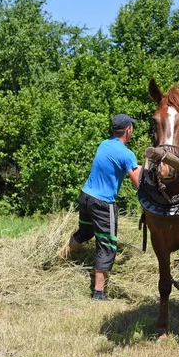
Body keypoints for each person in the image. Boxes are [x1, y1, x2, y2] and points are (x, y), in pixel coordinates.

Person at [58, 113, 141, 301]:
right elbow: (137, 183)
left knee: (85, 232)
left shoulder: (105, 144)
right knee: (107, 243)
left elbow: (124, 166)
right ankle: (98, 293)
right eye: (132, 128)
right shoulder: (126, 154)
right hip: (103, 203)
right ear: (128, 130)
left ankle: (61, 256)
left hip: (86, 196)